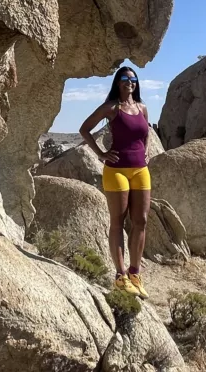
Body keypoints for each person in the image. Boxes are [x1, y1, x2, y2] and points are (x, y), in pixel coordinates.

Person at [78, 66, 152, 298]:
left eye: (133, 79)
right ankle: (120, 277)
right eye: (125, 78)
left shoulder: (142, 108)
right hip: (116, 171)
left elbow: (146, 132)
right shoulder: (112, 108)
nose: (130, 82)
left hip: (141, 170)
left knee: (141, 221)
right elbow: (84, 129)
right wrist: (101, 154)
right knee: (118, 222)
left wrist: (147, 151)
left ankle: (134, 274)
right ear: (118, 83)